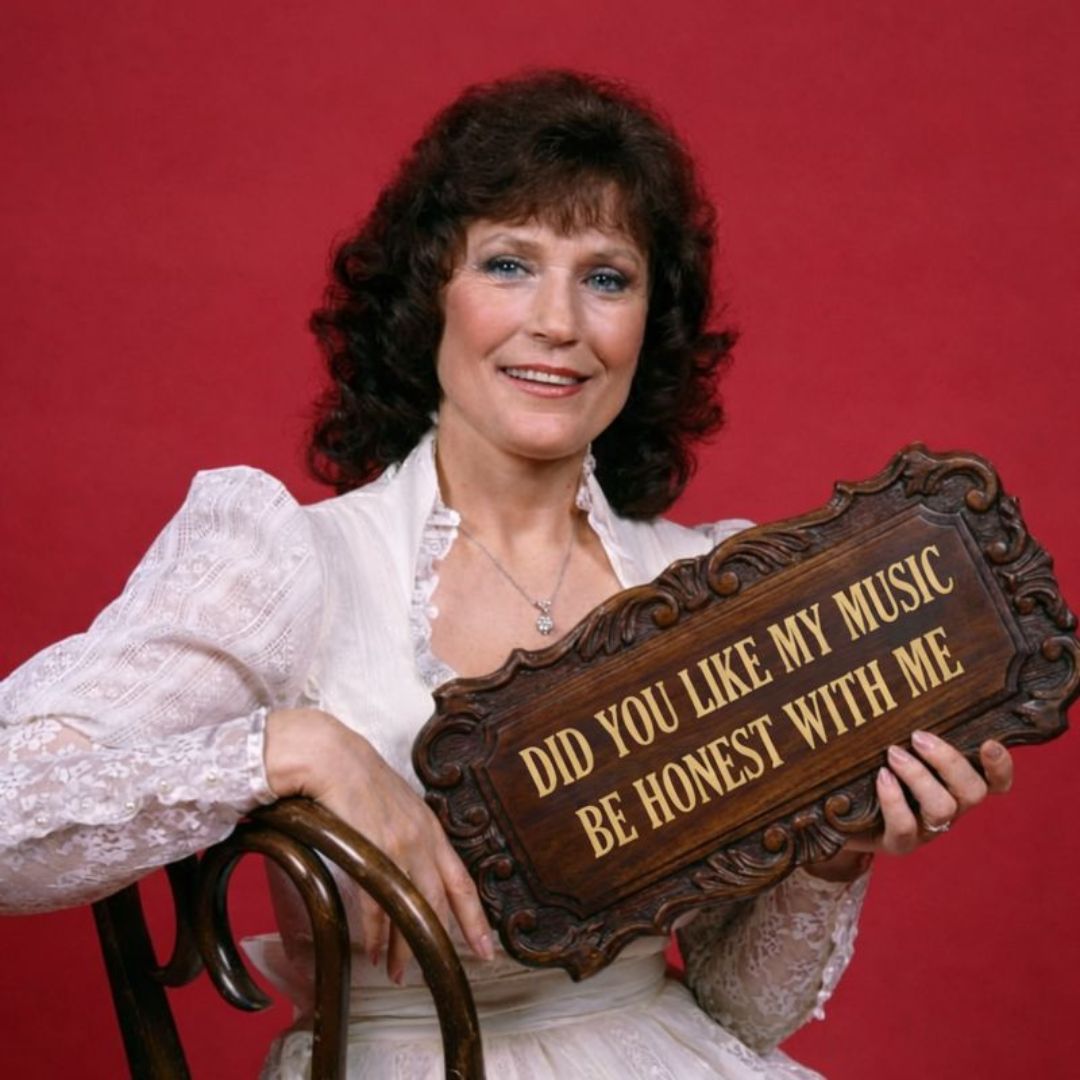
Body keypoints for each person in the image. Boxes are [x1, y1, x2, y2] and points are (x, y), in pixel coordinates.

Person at [0, 71, 1012, 1078]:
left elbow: (740, 1010)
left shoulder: (712, 584)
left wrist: (834, 849)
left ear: (649, 322)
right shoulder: (293, 564)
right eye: (509, 264)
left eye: (606, 278)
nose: (559, 323)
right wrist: (295, 749)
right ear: (427, 296)